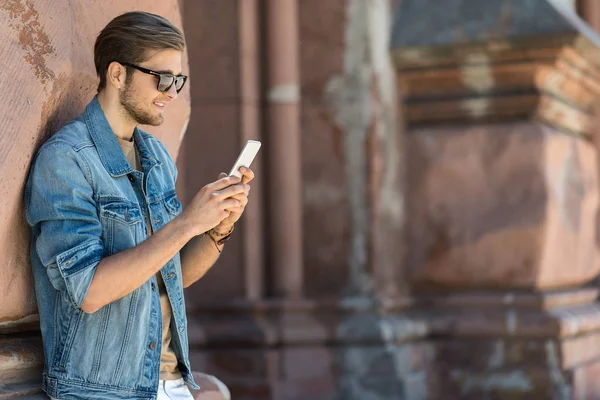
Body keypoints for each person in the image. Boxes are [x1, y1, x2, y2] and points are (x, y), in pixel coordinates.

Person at [24, 11, 253, 400]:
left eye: (179, 80)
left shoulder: (156, 158)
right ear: (117, 74)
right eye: (162, 78)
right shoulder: (66, 160)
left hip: (171, 383)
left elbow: (170, 274)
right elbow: (89, 291)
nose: (172, 92)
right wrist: (185, 225)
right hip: (103, 390)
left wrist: (216, 227)